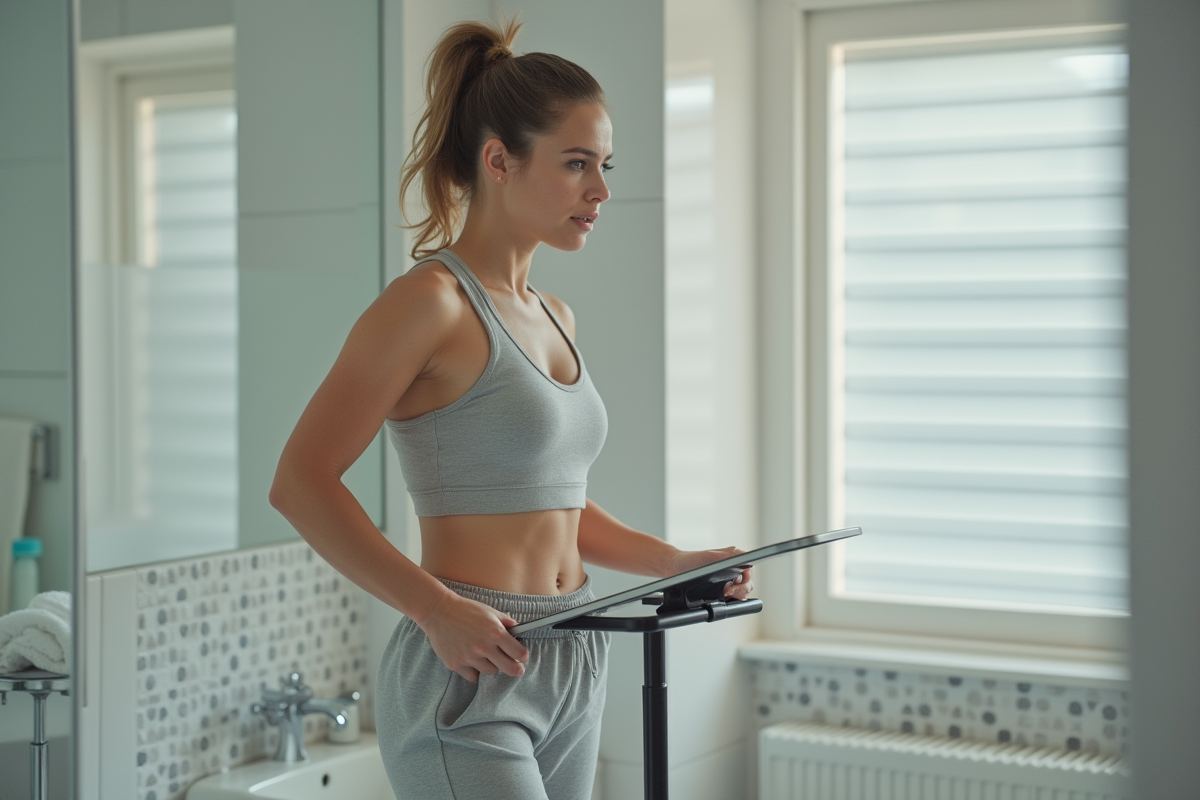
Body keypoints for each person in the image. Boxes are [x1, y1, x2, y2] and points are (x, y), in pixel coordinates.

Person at [269, 17, 754, 800]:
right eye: (576, 164)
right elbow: (301, 482)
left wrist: (671, 562)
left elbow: (549, 505)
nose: (600, 190)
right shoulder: (427, 304)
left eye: (603, 165)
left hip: (572, 649)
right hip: (469, 661)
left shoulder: (557, 315)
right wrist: (436, 611)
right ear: (499, 161)